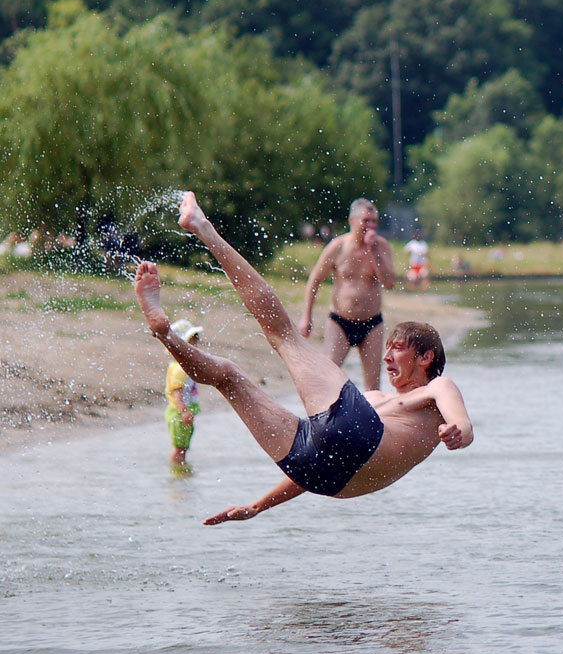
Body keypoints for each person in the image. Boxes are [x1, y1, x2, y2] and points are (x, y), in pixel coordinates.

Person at [134, 192, 473, 525]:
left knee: (283, 336)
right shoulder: (378, 400)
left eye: (398, 348)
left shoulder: (439, 387)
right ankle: (165, 332)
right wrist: (259, 506)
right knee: (227, 376)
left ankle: (203, 228)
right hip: (327, 478)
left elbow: (463, 425)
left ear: (427, 357)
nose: (387, 355)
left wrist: (458, 433)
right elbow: (330, 454)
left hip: (340, 454)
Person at [299, 198, 396, 390]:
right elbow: (315, 280)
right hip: (340, 321)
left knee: (373, 387)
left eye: (373, 221)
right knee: (328, 377)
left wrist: (374, 251)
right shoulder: (338, 246)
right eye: (365, 221)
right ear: (352, 220)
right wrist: (306, 317)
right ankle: (326, 419)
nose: (370, 226)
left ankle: (370, 419)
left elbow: (389, 283)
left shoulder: (382, 246)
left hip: (372, 324)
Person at [165, 318, 203, 474]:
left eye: (196, 341)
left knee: (183, 446)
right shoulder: (180, 368)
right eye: (191, 342)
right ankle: (177, 472)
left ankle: (181, 470)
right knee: (179, 448)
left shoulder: (185, 365)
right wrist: (184, 411)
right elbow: (177, 392)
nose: (196, 345)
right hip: (179, 413)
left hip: (185, 412)